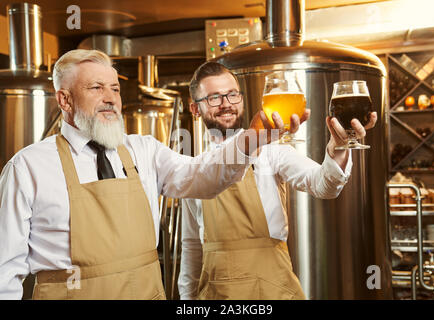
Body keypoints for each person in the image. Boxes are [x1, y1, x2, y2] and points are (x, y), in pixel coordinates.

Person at [0, 50, 297, 300]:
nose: (110, 98)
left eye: (115, 89)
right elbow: (4, 272)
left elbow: (203, 176)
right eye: (96, 88)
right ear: (64, 100)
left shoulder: (144, 150)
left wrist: (251, 139)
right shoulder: (27, 168)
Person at [177, 61, 377, 300]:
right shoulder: (191, 171)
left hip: (275, 292)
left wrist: (340, 147)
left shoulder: (271, 151)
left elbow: (324, 185)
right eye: (214, 98)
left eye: (232, 95)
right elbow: (191, 247)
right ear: (195, 109)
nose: (226, 104)